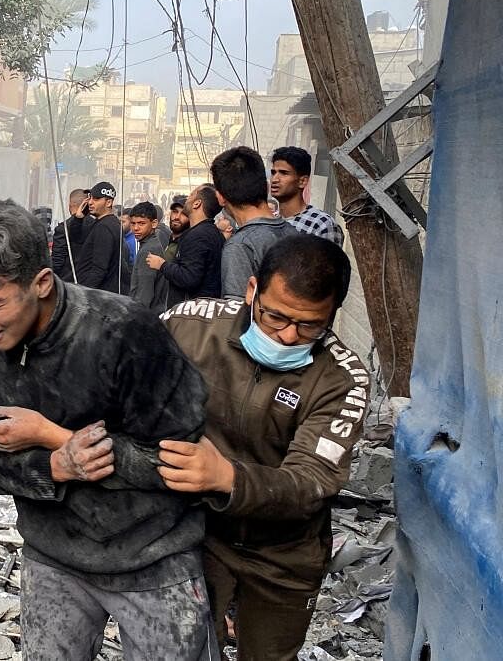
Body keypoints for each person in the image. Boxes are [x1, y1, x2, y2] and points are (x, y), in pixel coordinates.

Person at [0, 200, 217, 661]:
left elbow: (180, 461)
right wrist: (53, 466)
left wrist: (54, 438)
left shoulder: (125, 331)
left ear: (42, 283)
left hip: (154, 559)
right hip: (52, 558)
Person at [158, 234, 369, 661]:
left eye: (310, 325)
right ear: (252, 290)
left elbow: (310, 481)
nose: (289, 335)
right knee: (185, 649)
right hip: (195, 533)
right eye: (275, 316)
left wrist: (226, 477)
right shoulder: (190, 326)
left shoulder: (342, 379)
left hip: (284, 554)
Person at [212, 147, 298, 298]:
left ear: (220, 198)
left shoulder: (240, 246)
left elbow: (238, 312)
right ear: (267, 187)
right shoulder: (293, 232)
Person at [147, 184, 226, 311]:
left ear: (197, 204)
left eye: (191, 195)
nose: (187, 200)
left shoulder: (198, 236)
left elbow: (189, 278)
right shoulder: (211, 232)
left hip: (191, 315)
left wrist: (162, 265)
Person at [270, 146, 345, 246]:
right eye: (273, 173)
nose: (275, 179)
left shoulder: (321, 224)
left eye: (284, 173)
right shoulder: (270, 221)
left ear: (302, 181)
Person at [77, 182, 131, 294]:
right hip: (106, 293)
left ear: (109, 202)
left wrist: (84, 293)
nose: (90, 202)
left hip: (99, 295)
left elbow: (99, 268)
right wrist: (78, 219)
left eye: (96, 199)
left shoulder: (104, 227)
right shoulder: (111, 223)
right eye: (90, 198)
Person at [51, 189, 95, 283]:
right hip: (89, 281)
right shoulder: (96, 225)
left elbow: (57, 262)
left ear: (70, 205)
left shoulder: (63, 228)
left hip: (67, 282)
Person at [128, 202, 165, 309]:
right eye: (133, 223)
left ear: (154, 223)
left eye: (141, 223)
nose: (136, 228)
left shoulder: (149, 249)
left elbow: (144, 294)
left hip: (146, 314)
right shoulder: (150, 244)